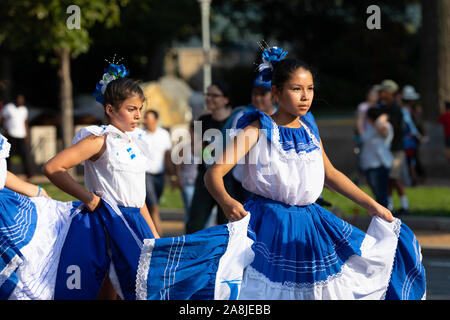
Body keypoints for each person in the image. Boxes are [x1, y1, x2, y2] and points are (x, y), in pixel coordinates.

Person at [203, 46, 425, 299]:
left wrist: (373, 206)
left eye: (309, 89)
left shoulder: (309, 127)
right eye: (296, 89)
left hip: (311, 224)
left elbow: (330, 174)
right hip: (268, 225)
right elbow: (213, 173)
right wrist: (226, 201)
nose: (305, 96)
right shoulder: (257, 129)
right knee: (265, 292)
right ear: (276, 92)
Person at [43, 64, 159, 300]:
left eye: (140, 109)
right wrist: (89, 197)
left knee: (133, 289)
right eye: (131, 109)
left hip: (135, 221)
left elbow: (138, 199)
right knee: (112, 286)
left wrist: (155, 237)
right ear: (110, 109)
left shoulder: (134, 143)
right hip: (108, 222)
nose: (138, 115)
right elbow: (53, 167)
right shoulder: (99, 140)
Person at [185, 80, 234, 234]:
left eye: (215, 95)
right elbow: (194, 150)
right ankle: (192, 256)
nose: (209, 98)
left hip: (228, 178)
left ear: (226, 99)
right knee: (195, 224)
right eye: (208, 94)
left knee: (226, 225)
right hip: (205, 177)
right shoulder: (202, 120)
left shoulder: (235, 120)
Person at [377, 79, 410, 215]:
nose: (381, 93)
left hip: (396, 149)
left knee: (394, 177)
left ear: (390, 92)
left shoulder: (395, 109)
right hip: (387, 149)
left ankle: (405, 205)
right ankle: (389, 205)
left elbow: (396, 128)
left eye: (383, 91)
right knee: (388, 179)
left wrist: (386, 122)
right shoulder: (383, 107)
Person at [142, 109, 174, 235]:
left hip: (160, 176)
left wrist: (172, 175)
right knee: (154, 206)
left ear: (155, 120)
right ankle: (158, 235)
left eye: (147, 118)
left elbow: (167, 155)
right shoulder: (140, 135)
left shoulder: (164, 134)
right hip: (146, 174)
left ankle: (147, 232)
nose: (144, 121)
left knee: (152, 206)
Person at [360, 107, 393, 208]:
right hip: (369, 165)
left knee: (381, 194)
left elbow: (382, 130)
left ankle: (385, 217)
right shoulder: (369, 127)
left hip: (380, 164)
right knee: (377, 194)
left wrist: (383, 116)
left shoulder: (385, 125)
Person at [1, 94, 35, 179]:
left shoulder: (24, 109)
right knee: (8, 155)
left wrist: (27, 135)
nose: (21, 101)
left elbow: (25, 122)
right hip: (11, 135)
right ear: (15, 99)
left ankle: (28, 173)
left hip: (21, 135)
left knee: (25, 155)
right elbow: (3, 119)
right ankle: (6, 172)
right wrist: (6, 130)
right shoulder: (9, 107)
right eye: (19, 99)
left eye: (22, 99)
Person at [400, 85, 426, 186]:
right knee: (411, 161)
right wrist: (419, 136)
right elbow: (411, 126)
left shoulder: (409, 110)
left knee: (411, 161)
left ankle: (414, 179)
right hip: (409, 141)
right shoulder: (406, 111)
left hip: (409, 141)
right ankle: (414, 179)